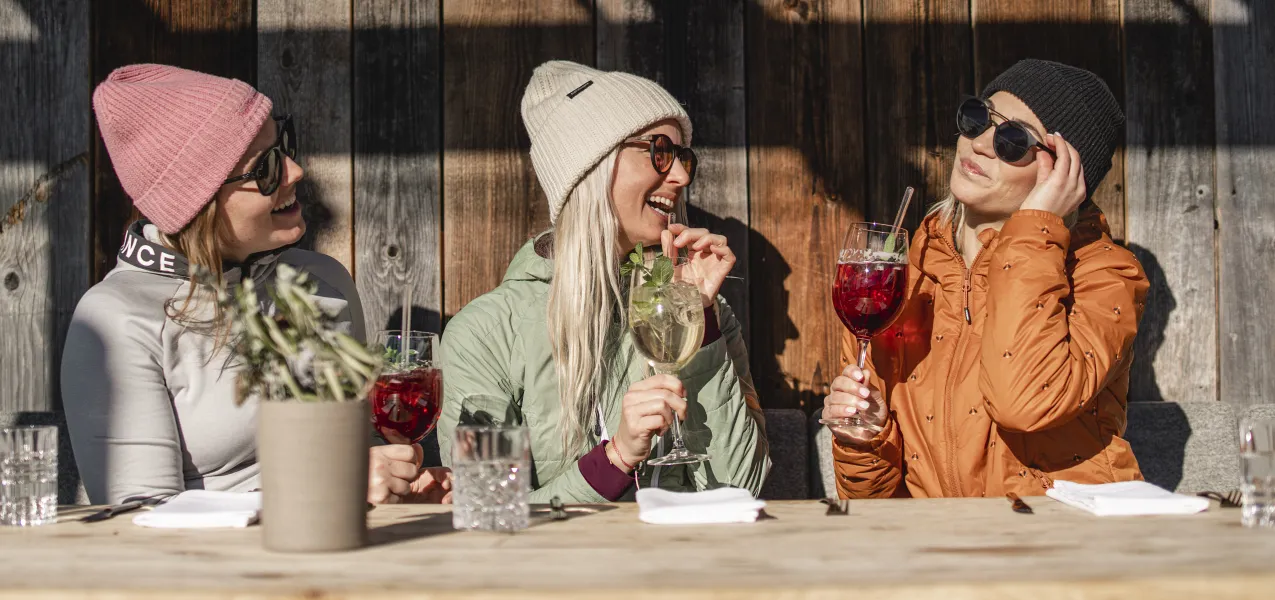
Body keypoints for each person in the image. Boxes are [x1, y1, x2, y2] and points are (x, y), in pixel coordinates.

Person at [63, 64, 446, 505]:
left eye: (284, 146)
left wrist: (401, 487)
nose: (295, 171)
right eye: (265, 168)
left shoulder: (323, 282)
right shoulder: (116, 319)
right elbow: (138, 523)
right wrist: (327, 490)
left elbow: (353, 465)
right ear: (198, 202)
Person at [438, 61, 770, 502]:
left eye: (683, 157)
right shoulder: (484, 334)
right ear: (591, 169)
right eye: (660, 151)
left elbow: (741, 488)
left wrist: (700, 320)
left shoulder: (705, 313)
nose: (682, 176)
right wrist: (614, 460)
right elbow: (487, 507)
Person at [823, 59, 1148, 498]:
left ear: (1068, 176)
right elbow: (873, 507)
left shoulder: (1104, 275)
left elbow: (1024, 404)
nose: (981, 145)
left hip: (1066, 544)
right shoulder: (899, 280)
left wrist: (1038, 224)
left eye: (1014, 140)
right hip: (945, 553)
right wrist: (867, 440)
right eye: (978, 119)